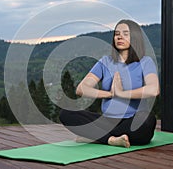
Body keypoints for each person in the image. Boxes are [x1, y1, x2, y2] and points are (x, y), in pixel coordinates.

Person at [59, 19, 160, 148]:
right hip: (106, 121)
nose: (119, 37)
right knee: (66, 114)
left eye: (125, 34)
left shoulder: (145, 62)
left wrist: (122, 93)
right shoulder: (105, 62)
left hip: (132, 120)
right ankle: (111, 139)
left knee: (147, 120)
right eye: (117, 34)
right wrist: (110, 94)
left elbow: (154, 89)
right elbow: (81, 89)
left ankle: (95, 136)